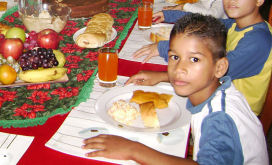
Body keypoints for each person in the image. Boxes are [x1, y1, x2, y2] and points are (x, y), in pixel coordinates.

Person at [83, 14, 268, 164]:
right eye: (174, 57)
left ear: (220, 67)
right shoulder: (216, 89)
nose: (179, 69)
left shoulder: (218, 119)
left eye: (194, 59)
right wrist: (162, 77)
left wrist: (133, 150)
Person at [133, 0, 272, 115]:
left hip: (233, 111)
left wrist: (160, 75)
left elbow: (214, 72)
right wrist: (169, 15)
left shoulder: (258, 40)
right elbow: (204, 23)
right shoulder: (235, 24)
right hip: (219, 94)